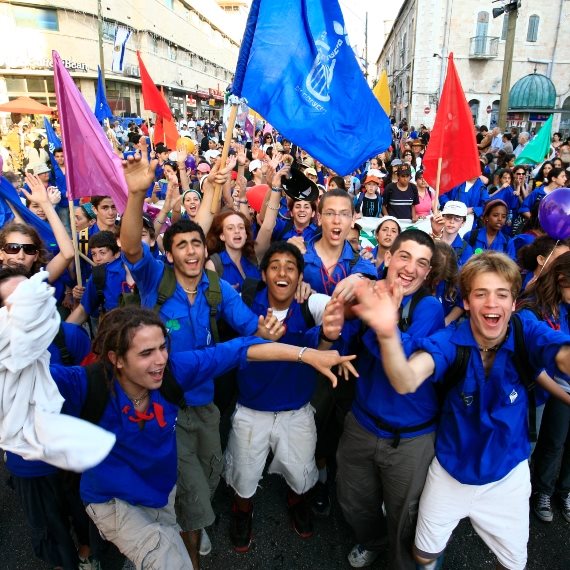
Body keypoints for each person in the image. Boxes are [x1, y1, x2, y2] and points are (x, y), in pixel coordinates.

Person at [44, 305, 355, 569]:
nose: (160, 360)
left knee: (161, 546)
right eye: (146, 353)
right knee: (170, 560)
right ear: (116, 359)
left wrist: (307, 355)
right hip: (115, 502)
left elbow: (239, 350)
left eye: (163, 346)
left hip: (160, 493)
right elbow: (29, 376)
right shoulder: (82, 385)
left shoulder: (173, 371)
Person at [351, 252, 570, 570]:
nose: (492, 303)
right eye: (481, 293)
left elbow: (563, 356)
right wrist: (387, 332)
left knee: (513, 564)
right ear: (466, 302)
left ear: (513, 303)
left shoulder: (527, 331)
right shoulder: (451, 341)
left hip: (507, 475)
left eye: (502, 294)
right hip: (450, 471)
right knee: (423, 555)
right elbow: (406, 379)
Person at [223, 242, 350, 550]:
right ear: (264, 274)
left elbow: (329, 317)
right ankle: (242, 511)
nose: (282, 273)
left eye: (291, 267)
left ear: (300, 277)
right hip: (251, 408)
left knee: (301, 471)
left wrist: (331, 328)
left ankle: (297, 501)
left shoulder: (308, 305)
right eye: (275, 266)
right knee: (243, 473)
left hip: (296, 409)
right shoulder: (245, 304)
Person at [333, 229, 445, 570]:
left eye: (422, 263)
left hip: (410, 438)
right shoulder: (368, 290)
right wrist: (351, 308)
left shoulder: (429, 307)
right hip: (362, 423)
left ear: (428, 272)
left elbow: (403, 359)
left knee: (405, 516)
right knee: (353, 498)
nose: (411, 268)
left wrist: (383, 325)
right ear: (389, 257)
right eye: (405, 256)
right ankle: (371, 541)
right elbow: (343, 342)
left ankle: (401, 563)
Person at [518, 252, 570, 524]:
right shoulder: (531, 310)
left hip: (551, 391)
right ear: (561, 278)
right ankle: (525, 496)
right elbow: (537, 364)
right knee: (529, 449)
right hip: (530, 395)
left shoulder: (563, 306)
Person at [205, 210, 260, 292]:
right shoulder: (212, 265)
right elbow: (213, 297)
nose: (237, 231)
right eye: (230, 228)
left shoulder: (253, 259)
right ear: (222, 236)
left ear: (246, 234)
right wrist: (225, 294)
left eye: (241, 227)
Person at [431, 201, 474, 267]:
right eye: (448, 216)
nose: (452, 221)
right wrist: (435, 234)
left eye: (457, 218)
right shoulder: (430, 240)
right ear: (442, 218)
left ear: (463, 223)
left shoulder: (466, 249)